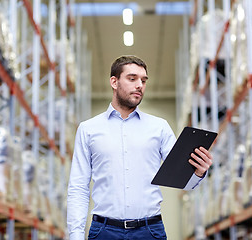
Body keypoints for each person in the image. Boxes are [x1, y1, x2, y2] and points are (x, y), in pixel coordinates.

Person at [67, 55, 213, 240]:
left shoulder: (159, 127)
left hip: (149, 231)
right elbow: (78, 187)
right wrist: (75, 235)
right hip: (104, 231)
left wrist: (198, 172)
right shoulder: (88, 129)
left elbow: (183, 181)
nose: (139, 85)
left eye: (143, 80)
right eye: (132, 78)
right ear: (114, 81)